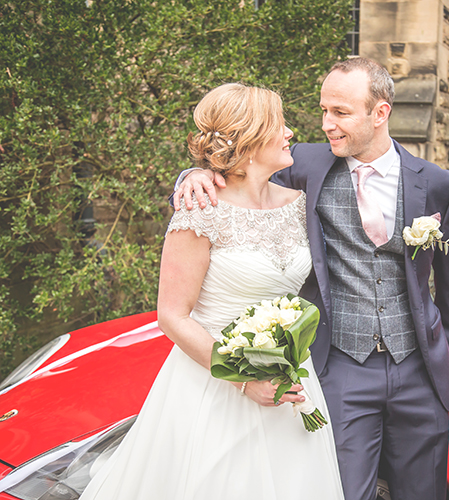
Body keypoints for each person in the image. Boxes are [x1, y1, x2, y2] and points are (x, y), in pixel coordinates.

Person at [174, 58, 449, 500]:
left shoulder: (438, 183)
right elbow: (239, 174)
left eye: (341, 113)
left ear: (380, 113)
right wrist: (194, 174)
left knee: (424, 490)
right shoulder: (306, 164)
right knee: (342, 490)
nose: (327, 124)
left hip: (419, 372)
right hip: (341, 367)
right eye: (324, 110)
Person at [81, 83, 345, 500]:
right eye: (280, 125)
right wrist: (243, 380)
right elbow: (172, 315)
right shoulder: (201, 209)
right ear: (251, 140)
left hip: (292, 384)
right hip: (214, 387)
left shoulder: (299, 201)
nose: (291, 132)